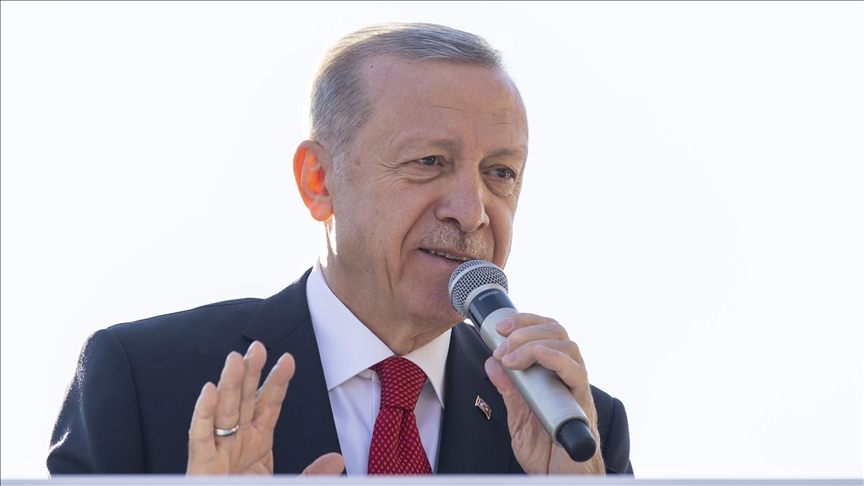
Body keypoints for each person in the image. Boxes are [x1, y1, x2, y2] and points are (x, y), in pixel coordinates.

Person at [47, 23, 633, 476]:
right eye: (430, 161)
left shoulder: (577, 431)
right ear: (318, 181)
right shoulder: (144, 380)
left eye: (500, 172)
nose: (472, 210)